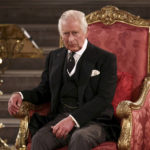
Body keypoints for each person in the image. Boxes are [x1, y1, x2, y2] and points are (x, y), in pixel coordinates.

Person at [8, 10, 120, 150]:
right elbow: (44, 91)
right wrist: (20, 94)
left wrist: (73, 119)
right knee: (39, 140)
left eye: (75, 33)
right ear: (61, 34)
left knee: (79, 138)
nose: (71, 39)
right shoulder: (54, 57)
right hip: (60, 118)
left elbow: (103, 98)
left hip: (94, 121)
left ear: (86, 32)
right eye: (66, 33)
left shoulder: (105, 59)